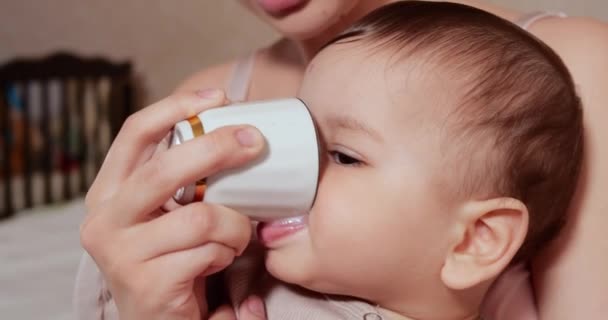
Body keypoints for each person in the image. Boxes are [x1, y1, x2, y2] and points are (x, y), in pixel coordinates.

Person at [75, 0, 608, 319]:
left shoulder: (567, 75)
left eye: (344, 156)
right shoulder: (205, 102)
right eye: (301, 132)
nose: (303, 175)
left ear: (475, 238)